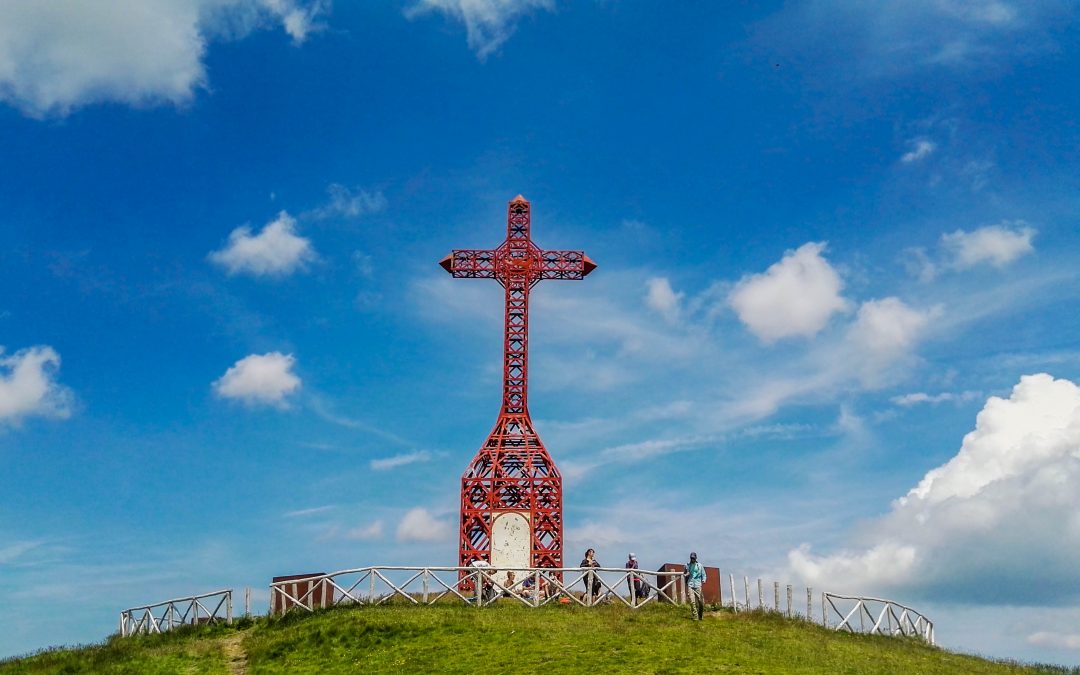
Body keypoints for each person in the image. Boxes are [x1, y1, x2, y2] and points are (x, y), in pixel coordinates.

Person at [685, 552, 706, 620]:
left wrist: (704, 580)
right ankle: (695, 616)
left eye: (693, 558)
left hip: (698, 585)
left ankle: (700, 615)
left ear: (696, 558)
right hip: (690, 584)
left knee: (701, 602)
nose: (692, 559)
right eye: (691, 558)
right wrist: (686, 575)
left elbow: (704, 574)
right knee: (692, 601)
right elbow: (685, 573)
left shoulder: (700, 565)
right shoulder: (687, 565)